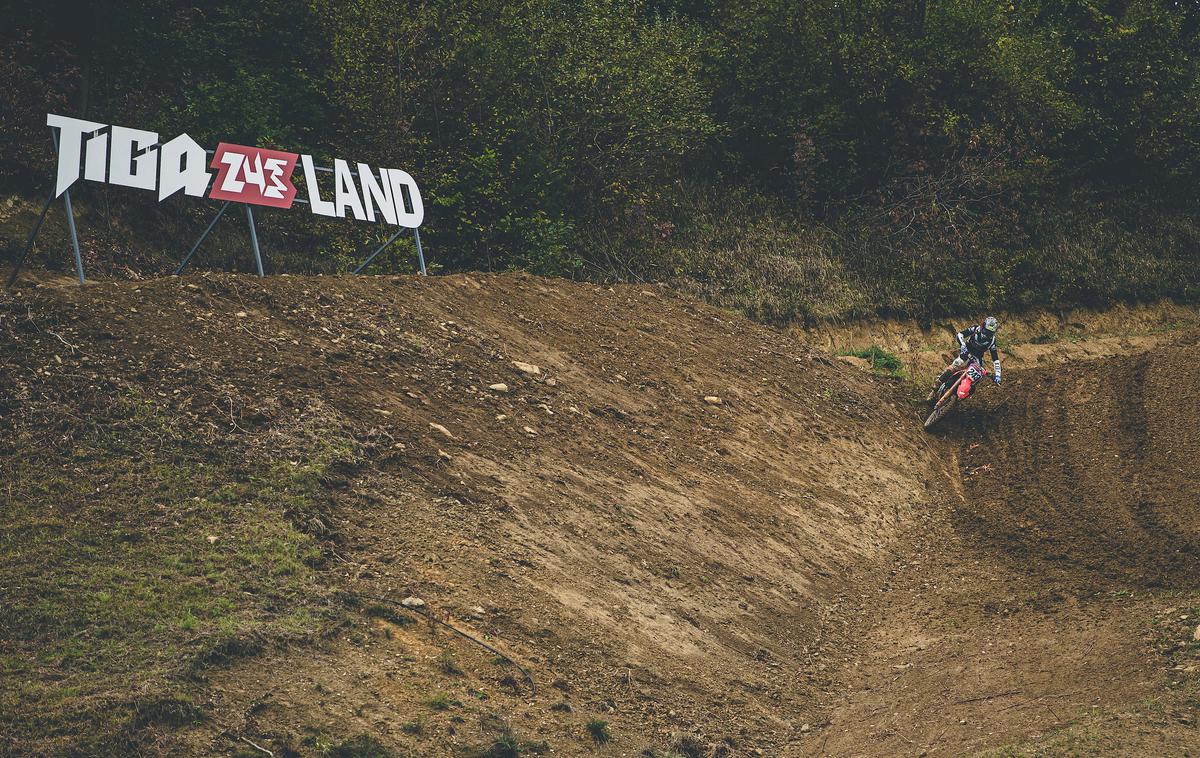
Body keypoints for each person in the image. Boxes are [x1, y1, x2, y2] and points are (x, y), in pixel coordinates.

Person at [929, 316, 1002, 400]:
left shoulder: (992, 341)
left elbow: (995, 359)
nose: (986, 334)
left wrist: (998, 375)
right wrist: (963, 344)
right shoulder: (975, 329)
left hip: (977, 359)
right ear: (983, 326)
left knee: (976, 380)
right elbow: (960, 334)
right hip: (966, 352)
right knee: (955, 366)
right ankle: (936, 387)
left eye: (989, 333)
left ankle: (959, 396)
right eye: (986, 331)